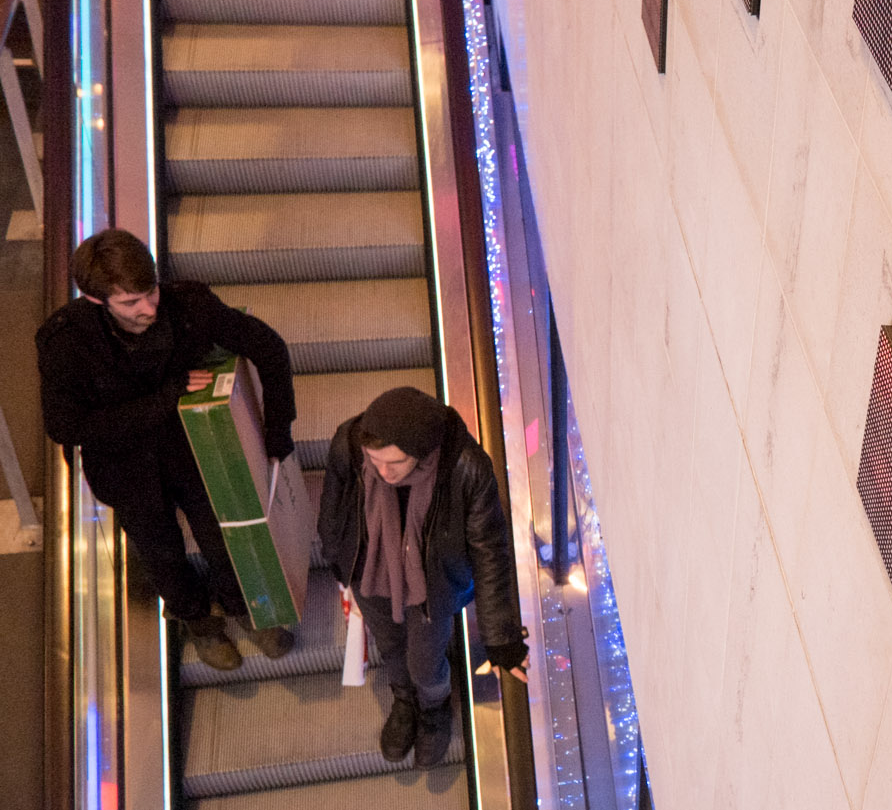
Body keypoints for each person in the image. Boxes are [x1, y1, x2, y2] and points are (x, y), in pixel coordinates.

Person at [37, 229, 298, 670]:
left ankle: (242, 608)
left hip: (190, 450)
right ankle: (197, 620)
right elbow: (66, 426)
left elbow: (269, 349)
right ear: (98, 301)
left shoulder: (188, 306)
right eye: (131, 302)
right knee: (161, 554)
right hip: (123, 465)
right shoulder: (65, 342)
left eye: (150, 291)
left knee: (222, 537)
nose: (149, 307)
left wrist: (278, 432)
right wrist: (168, 398)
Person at [316, 386, 528, 767]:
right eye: (375, 462)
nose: (383, 473)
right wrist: (335, 556)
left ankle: (433, 708)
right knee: (391, 645)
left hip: (432, 586)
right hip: (371, 573)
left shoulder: (466, 468)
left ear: (422, 449)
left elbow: (490, 551)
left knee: (425, 660)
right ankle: (404, 699)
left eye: (394, 464)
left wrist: (502, 638)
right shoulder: (349, 441)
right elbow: (333, 505)